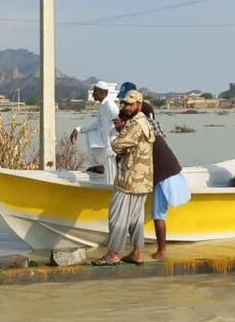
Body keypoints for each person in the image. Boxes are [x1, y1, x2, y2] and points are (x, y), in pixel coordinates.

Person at [119, 97, 190, 259]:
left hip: (164, 175)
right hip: (168, 172)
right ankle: (150, 250)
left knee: (157, 214)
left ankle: (161, 251)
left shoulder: (139, 131)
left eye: (123, 121)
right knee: (156, 214)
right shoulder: (149, 128)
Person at [94, 89, 154, 266]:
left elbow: (117, 145)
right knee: (136, 218)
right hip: (142, 180)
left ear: (139, 105)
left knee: (117, 217)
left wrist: (120, 132)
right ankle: (137, 253)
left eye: (130, 104)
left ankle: (113, 254)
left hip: (129, 179)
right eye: (125, 104)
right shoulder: (146, 122)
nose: (126, 107)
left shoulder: (135, 124)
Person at [70, 80, 118, 184]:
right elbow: (96, 124)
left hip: (111, 147)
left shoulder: (110, 106)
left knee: (112, 179)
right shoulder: (103, 106)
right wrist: (79, 129)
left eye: (95, 92)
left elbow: (120, 123)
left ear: (102, 92)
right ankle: (98, 166)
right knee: (90, 133)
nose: (93, 94)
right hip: (105, 144)